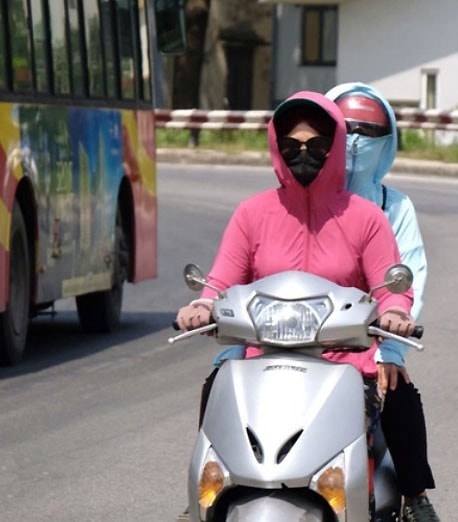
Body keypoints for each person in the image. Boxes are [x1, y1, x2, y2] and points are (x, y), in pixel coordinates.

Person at [175, 91, 426, 517]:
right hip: (262, 358)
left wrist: (395, 312)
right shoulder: (253, 213)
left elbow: (391, 286)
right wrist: (202, 305)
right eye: (292, 145)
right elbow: (221, 280)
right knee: (216, 385)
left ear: (335, 146)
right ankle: (206, 500)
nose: (303, 154)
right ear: (276, 147)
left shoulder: (365, 217)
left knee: (400, 392)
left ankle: (416, 497)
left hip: (347, 362)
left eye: (316, 145)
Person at [326, 82, 439, 522]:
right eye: (347, 129)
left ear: (388, 142)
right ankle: (211, 487)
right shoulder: (304, 199)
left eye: (370, 132)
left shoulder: (396, 207)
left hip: (366, 337)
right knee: (224, 379)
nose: (357, 142)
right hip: (296, 335)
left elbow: (411, 277)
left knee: (399, 394)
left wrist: (390, 348)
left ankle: (415, 495)